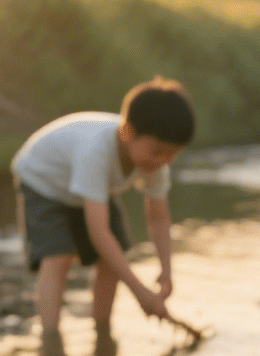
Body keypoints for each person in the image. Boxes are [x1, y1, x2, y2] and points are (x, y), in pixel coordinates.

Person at [11, 77, 195, 331]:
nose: (163, 161)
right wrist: (139, 291)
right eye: (158, 151)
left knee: (113, 258)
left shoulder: (155, 162)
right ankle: (50, 336)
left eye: (172, 154)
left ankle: (102, 329)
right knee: (58, 257)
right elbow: (98, 232)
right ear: (127, 132)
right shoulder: (95, 151)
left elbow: (158, 218)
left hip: (91, 188)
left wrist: (166, 271)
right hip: (44, 181)